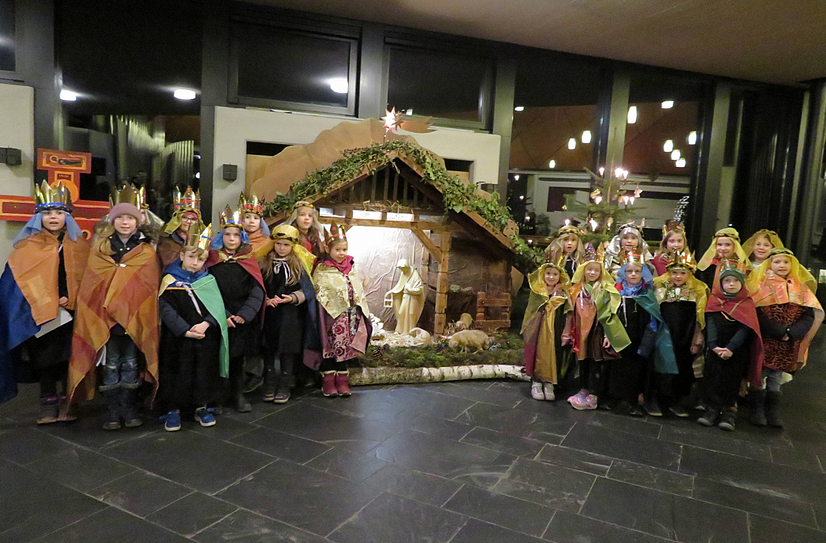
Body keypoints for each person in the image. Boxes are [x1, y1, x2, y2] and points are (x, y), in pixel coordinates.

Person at [64, 185, 160, 429]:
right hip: (106, 318)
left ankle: (129, 409)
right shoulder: (100, 248)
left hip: (133, 319)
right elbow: (92, 284)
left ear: (138, 221)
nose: (125, 222)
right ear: (112, 220)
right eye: (120, 218)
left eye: (130, 218)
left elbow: (147, 287)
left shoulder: (146, 250)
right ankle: (112, 411)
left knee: (130, 362)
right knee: (111, 363)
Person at [0, 182, 91, 423]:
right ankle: (48, 402)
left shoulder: (80, 245)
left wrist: (69, 297)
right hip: (42, 314)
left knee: (69, 357)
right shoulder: (27, 247)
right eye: (48, 213)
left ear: (67, 216)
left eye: (59, 213)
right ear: (38, 217)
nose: (53, 218)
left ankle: (68, 401)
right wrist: (48, 299)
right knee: (45, 359)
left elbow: (87, 278)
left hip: (71, 313)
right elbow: (19, 282)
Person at [158, 223, 229, 431]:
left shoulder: (208, 280)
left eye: (200, 259)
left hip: (204, 336)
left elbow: (217, 307)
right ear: (182, 256)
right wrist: (184, 329)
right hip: (177, 338)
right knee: (176, 371)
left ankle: (202, 406)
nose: (195, 262)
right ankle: (173, 409)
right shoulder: (170, 280)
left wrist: (206, 323)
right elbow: (165, 308)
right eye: (191, 257)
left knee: (204, 370)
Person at [746, 248, 823, 427]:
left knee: (777, 375)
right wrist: (778, 331)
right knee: (760, 372)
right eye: (777, 262)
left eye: (786, 262)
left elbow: (808, 315)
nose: (782, 265)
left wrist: (792, 332)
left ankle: (772, 410)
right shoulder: (760, 285)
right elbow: (756, 312)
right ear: (769, 264)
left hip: (788, 342)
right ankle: (756, 409)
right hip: (766, 338)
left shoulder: (800, 287)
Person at [206, 206, 265, 413]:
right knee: (218, 356)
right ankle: (218, 395)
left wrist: (244, 315)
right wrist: (225, 315)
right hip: (219, 318)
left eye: (236, 235)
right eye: (227, 235)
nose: (232, 239)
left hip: (241, 319)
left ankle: (237, 393)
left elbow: (257, 290)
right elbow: (207, 291)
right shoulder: (212, 261)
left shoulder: (248, 259)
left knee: (238, 358)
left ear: (242, 238)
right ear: (221, 237)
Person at [565, 244, 631, 410]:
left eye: (596, 270)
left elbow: (610, 313)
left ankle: (594, 394)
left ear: (601, 272)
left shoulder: (606, 290)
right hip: (581, 333)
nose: (592, 273)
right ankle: (583, 389)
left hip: (597, 331)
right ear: (583, 271)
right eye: (589, 270)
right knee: (583, 361)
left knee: (596, 362)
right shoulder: (576, 289)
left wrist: (608, 334)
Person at [698, 264, 763, 431]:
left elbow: (745, 328)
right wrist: (713, 346)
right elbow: (710, 323)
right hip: (715, 349)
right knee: (712, 377)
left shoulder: (746, 303)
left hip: (735, 351)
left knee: (731, 380)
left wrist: (731, 348)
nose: (731, 284)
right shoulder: (715, 300)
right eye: (727, 281)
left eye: (735, 281)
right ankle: (712, 409)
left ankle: (728, 412)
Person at [611, 255, 676, 417]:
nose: (633, 274)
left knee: (637, 371)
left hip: (640, 340)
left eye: (637, 271)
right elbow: (610, 315)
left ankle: (634, 401)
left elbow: (653, 321)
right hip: (620, 337)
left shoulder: (647, 294)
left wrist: (646, 345)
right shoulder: (617, 292)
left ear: (643, 273)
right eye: (629, 271)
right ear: (623, 273)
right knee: (619, 368)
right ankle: (617, 398)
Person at [259, 224, 318, 403]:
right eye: (278, 244)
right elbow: (257, 286)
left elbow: (307, 290)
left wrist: (292, 298)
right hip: (269, 313)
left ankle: (285, 382)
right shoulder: (265, 263)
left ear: (292, 246)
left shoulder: (297, 264)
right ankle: (269, 381)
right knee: (268, 346)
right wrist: (265, 300)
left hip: (291, 315)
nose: (281, 248)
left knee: (288, 347)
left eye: (285, 245)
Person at [312, 223, 371, 397]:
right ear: (329, 249)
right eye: (337, 249)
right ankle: (328, 382)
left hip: (349, 316)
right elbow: (319, 290)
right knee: (330, 347)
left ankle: (342, 381)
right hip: (330, 317)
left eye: (344, 249)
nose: (341, 253)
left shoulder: (351, 266)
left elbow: (357, 287)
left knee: (346, 349)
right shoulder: (323, 269)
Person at [653, 251, 707, 417]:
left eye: (682, 273)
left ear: (689, 274)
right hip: (664, 335)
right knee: (662, 366)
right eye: (674, 272)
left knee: (682, 366)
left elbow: (700, 316)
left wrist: (697, 337)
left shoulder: (697, 291)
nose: (677, 276)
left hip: (685, 335)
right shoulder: (661, 288)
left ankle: (676, 401)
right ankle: (659, 400)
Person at [521, 260, 572, 401]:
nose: (551, 277)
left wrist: (566, 332)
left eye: (555, 274)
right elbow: (531, 310)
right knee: (537, 351)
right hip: (537, 328)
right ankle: (536, 381)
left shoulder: (563, 293)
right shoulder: (537, 291)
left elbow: (568, 312)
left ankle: (549, 382)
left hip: (555, 327)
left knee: (554, 352)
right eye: (548, 273)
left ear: (560, 276)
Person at [157, 186, 205, 269]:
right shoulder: (167, 239)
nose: (188, 222)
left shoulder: (204, 240)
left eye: (193, 219)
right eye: (185, 218)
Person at [388, 259, 425, 335]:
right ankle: (400, 331)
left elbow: (420, 289)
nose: (403, 271)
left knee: (411, 315)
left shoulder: (415, 275)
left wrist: (410, 289)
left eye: (403, 269)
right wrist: (393, 291)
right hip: (405, 297)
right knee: (401, 312)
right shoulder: (404, 274)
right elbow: (400, 286)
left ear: (407, 267)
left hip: (413, 298)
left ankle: (410, 332)